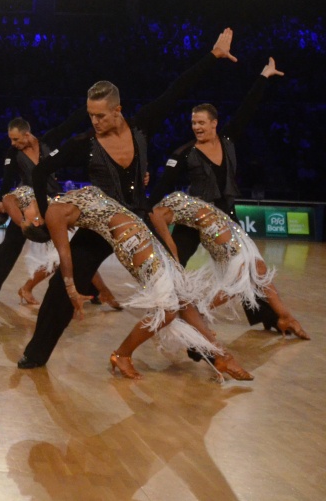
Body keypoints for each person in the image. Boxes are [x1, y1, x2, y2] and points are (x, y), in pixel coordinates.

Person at [18, 29, 238, 369]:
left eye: (101, 115)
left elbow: (176, 89)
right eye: (90, 115)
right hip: (99, 225)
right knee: (64, 288)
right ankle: (35, 355)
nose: (95, 121)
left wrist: (213, 56)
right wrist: (47, 219)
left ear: (118, 110)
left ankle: (202, 350)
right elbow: (39, 171)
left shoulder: (141, 127)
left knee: (176, 289)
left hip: (140, 218)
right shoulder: (83, 143)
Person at [20, 186, 253, 381]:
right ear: (38, 222)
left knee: (184, 297)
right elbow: (65, 255)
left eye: (23, 215)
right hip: (130, 243)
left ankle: (222, 355)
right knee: (168, 309)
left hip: (142, 232)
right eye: (25, 217)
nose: (24, 211)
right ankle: (122, 354)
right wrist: (72, 289)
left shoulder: (63, 198)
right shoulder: (53, 214)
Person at [150, 57, 286, 333]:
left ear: (214, 123)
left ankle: (267, 316)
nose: (196, 127)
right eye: (193, 123)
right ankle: (163, 306)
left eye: (201, 122)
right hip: (195, 216)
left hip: (227, 212)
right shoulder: (184, 153)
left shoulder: (228, 140)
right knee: (174, 258)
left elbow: (247, 109)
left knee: (244, 262)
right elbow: (161, 189)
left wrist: (263, 76)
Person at [151, 191, 309, 339]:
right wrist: (174, 259)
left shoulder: (165, 205)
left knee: (259, 268)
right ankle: (195, 314)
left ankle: (285, 316)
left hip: (225, 223)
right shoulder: (157, 212)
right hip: (213, 229)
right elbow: (163, 231)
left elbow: (165, 230)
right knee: (239, 280)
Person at [0, 113, 87, 302]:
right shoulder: (13, 154)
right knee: (9, 246)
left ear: (27, 134)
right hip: (28, 205)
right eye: (11, 139)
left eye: (15, 139)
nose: (13, 143)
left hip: (54, 202)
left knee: (70, 247)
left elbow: (69, 123)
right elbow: (7, 180)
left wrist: (86, 110)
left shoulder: (49, 141)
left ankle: (91, 291)